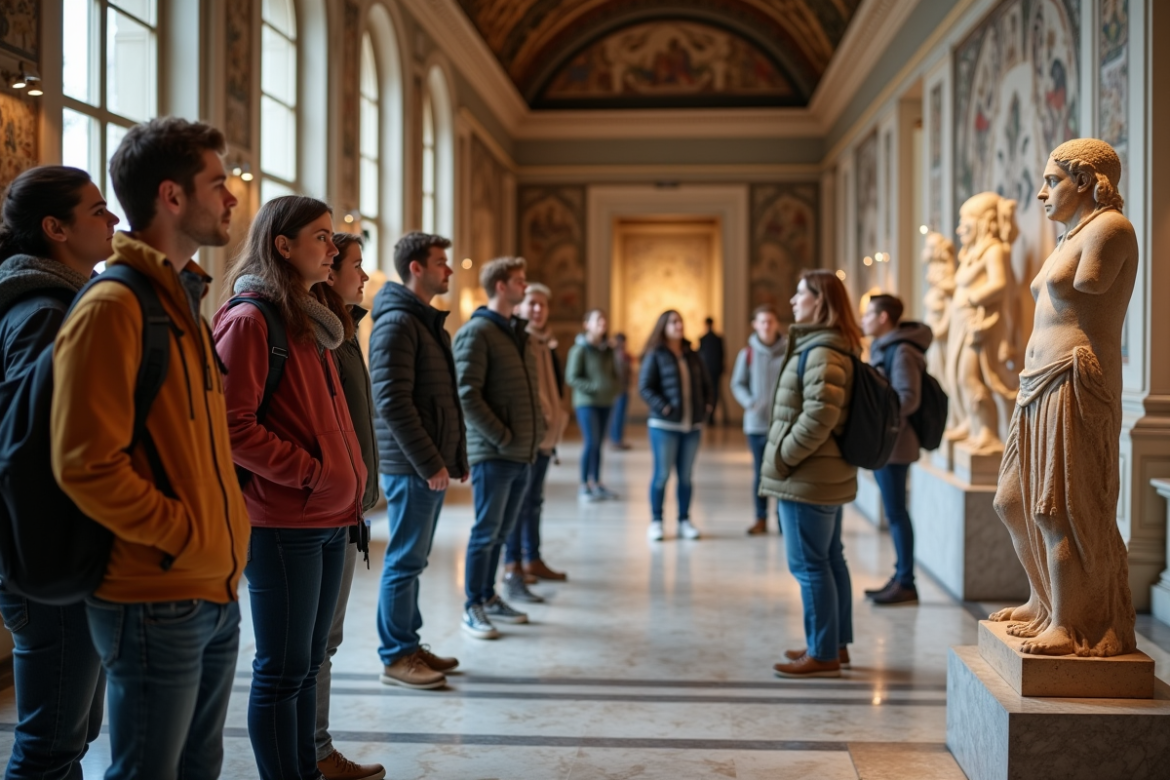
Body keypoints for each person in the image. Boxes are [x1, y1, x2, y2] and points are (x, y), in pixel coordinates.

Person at [51, 118, 251, 779]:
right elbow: (85, 463)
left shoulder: (182, 300)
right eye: (217, 184)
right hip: (155, 595)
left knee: (198, 768)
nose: (231, 198)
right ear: (171, 196)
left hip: (211, 588)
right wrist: (182, 535)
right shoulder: (114, 306)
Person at [214, 196, 366, 780]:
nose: (332, 248)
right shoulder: (252, 319)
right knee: (282, 670)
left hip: (327, 516)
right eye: (321, 237)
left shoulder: (310, 316)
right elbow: (232, 427)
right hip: (283, 521)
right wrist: (313, 474)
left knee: (306, 667)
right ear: (283, 245)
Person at [0, 167, 116, 779]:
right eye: (97, 210)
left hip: (58, 556)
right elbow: (28, 447)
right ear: (56, 228)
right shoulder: (44, 312)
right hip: (52, 562)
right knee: (50, 745)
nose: (113, 218)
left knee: (71, 736)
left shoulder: (61, 303)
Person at [369, 231, 466, 685]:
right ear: (416, 268)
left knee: (414, 560)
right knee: (404, 561)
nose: (449, 270)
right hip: (411, 466)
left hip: (423, 463)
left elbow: (440, 399)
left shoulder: (422, 320)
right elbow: (391, 401)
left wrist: (453, 457)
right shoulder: (397, 322)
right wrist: (430, 462)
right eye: (441, 262)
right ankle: (396, 657)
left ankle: (408, 644)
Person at [760, 270, 861, 679]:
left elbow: (820, 415)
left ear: (819, 301)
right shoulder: (828, 345)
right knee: (830, 559)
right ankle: (833, 643)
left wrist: (784, 457)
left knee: (809, 565)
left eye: (800, 293)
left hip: (808, 477)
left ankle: (823, 654)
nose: (792, 300)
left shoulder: (822, 351)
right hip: (821, 474)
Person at [311, 233, 386, 780]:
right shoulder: (320, 334)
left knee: (325, 641)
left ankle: (313, 748)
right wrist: (332, 481)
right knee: (313, 645)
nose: (364, 276)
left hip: (345, 505)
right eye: (356, 266)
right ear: (329, 271)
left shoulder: (345, 329)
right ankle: (312, 751)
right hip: (321, 505)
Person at [454, 256, 545, 639]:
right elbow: (466, 393)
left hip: (521, 451)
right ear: (502, 286)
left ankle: (489, 597)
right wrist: (503, 436)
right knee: (486, 531)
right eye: (520, 281)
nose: (525, 286)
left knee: (502, 531)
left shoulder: (516, 331)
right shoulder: (478, 332)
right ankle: (473, 605)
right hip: (495, 452)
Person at [861, 294, 930, 606]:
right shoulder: (885, 347)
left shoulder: (901, 350)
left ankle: (906, 582)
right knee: (894, 511)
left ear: (883, 317)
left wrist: (878, 420)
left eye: (868, 314)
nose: (863, 320)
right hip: (887, 443)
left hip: (895, 445)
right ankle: (900, 576)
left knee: (896, 512)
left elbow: (908, 398)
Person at [503, 282, 571, 600]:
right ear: (520, 305)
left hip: (546, 436)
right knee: (518, 503)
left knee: (534, 501)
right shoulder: (517, 339)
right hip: (526, 435)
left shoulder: (547, 342)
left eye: (543, 304)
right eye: (532, 303)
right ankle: (513, 565)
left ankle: (533, 558)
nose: (538, 309)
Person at [639, 310, 713, 542]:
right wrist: (664, 406)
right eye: (673, 322)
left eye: (680, 321)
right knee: (662, 475)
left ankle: (684, 520)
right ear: (663, 326)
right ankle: (656, 521)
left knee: (686, 476)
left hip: (692, 426)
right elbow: (645, 387)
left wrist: (707, 406)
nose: (678, 325)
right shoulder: (656, 354)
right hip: (664, 426)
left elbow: (707, 383)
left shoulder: (692, 354)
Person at [730, 305, 787, 536]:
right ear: (755, 325)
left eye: (770, 321)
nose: (766, 326)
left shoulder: (788, 351)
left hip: (783, 424)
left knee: (783, 473)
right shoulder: (747, 354)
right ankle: (760, 517)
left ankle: (783, 519)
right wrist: (750, 402)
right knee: (761, 473)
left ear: (776, 324)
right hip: (756, 425)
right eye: (762, 321)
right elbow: (737, 383)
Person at [566, 308, 620, 501]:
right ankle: (584, 485)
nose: (602, 324)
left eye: (604, 320)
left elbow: (614, 374)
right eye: (597, 320)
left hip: (606, 401)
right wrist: (594, 387)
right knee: (591, 441)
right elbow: (572, 377)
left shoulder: (608, 350)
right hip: (586, 403)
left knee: (599, 444)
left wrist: (613, 388)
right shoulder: (579, 350)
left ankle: (596, 482)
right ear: (586, 324)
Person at [698, 316, 726, 425]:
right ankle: (710, 416)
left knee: (710, 392)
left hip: (708, 369)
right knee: (714, 392)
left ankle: (710, 416)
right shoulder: (716, 338)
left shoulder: (704, 338)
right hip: (715, 369)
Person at [609, 333, 633, 450]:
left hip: (624, 388)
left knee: (621, 416)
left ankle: (619, 439)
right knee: (616, 416)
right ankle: (615, 440)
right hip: (616, 390)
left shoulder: (625, 355)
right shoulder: (612, 355)